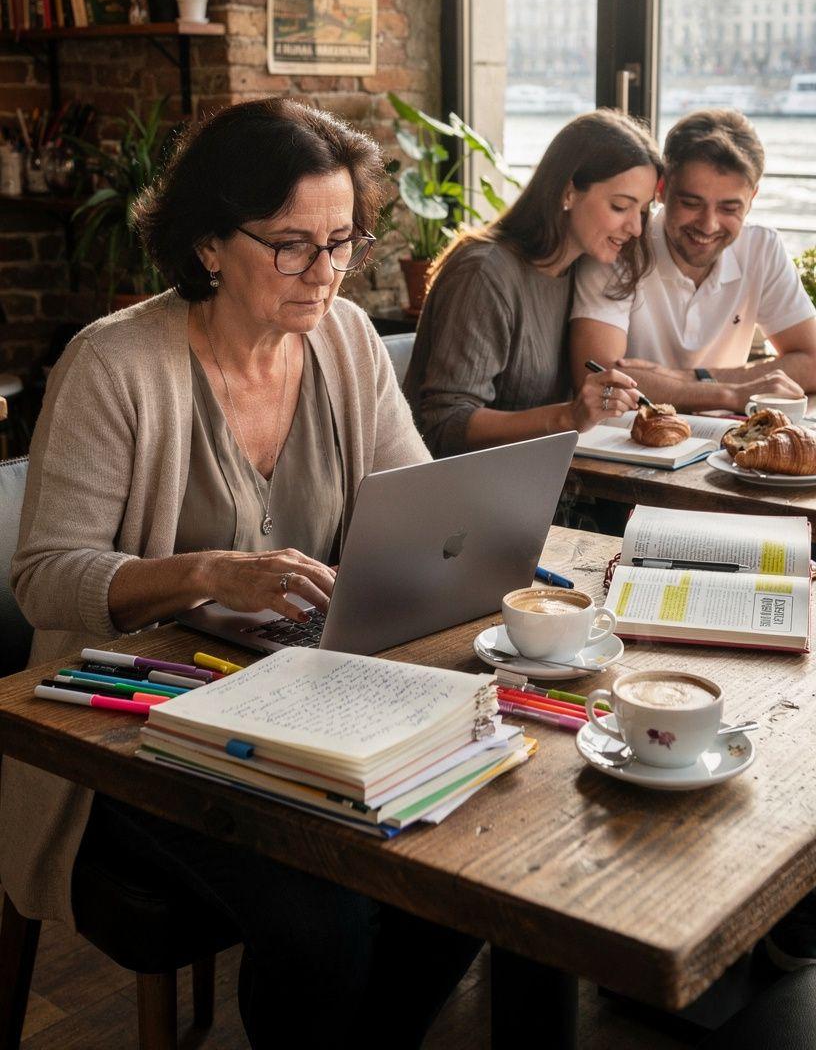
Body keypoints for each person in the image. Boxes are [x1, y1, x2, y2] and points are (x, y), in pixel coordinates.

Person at [0, 98, 480, 1050]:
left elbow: (420, 499)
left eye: (343, 241)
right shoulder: (115, 363)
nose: (327, 273)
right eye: (292, 245)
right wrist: (209, 572)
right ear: (211, 244)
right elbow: (46, 576)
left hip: (299, 695)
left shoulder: (340, 338)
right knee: (325, 918)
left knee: (462, 868)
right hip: (129, 732)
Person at [404, 108, 662, 458]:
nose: (636, 228)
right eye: (620, 207)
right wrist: (568, 417)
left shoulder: (577, 271)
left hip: (536, 481)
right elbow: (443, 427)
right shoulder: (484, 274)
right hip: (461, 494)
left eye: (643, 211)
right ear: (568, 192)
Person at [570, 108, 816, 413]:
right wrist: (730, 393)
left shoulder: (761, 247)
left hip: (724, 445)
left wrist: (692, 378)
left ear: (752, 199)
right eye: (691, 203)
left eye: (729, 208)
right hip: (627, 443)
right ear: (661, 189)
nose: (708, 225)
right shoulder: (621, 244)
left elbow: (812, 360)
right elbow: (596, 377)